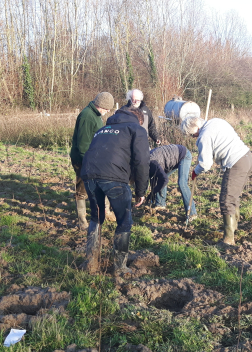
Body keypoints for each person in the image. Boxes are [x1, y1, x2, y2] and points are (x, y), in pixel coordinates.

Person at [80, 107, 149, 275]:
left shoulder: (103, 129)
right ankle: (120, 267)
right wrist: (141, 191)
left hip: (88, 174)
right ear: (139, 120)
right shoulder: (136, 129)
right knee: (124, 220)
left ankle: (91, 263)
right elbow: (142, 161)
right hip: (114, 177)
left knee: (96, 218)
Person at [180, 116, 252, 245]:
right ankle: (232, 228)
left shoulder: (204, 136)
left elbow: (206, 164)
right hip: (246, 157)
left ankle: (228, 239)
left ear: (195, 128)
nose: (194, 137)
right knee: (233, 197)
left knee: (226, 200)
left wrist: (195, 171)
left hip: (236, 163)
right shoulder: (216, 121)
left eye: (192, 135)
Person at [70, 92, 115, 230]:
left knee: (102, 185)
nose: (107, 112)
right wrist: (87, 164)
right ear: (100, 105)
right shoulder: (87, 116)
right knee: (82, 188)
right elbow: (83, 145)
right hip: (84, 160)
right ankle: (82, 220)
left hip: (95, 158)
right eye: (107, 109)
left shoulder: (97, 115)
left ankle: (106, 212)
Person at [148, 144, 197, 220]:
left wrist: (153, 192)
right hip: (169, 158)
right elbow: (153, 180)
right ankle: (160, 204)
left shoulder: (153, 163)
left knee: (182, 184)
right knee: (159, 177)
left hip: (183, 155)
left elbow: (164, 180)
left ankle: (192, 213)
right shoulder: (147, 164)